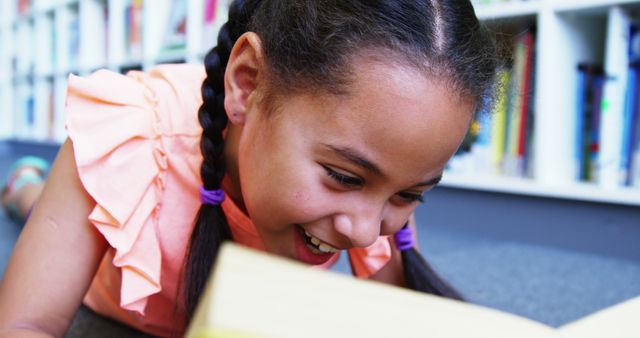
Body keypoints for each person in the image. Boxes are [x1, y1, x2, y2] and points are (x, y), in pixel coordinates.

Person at [0, 0, 497, 337]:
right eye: (344, 177)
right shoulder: (133, 133)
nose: (366, 232)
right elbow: (25, 324)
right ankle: (25, 186)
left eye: (410, 195)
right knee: (40, 209)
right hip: (109, 291)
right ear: (247, 82)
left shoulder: (380, 165)